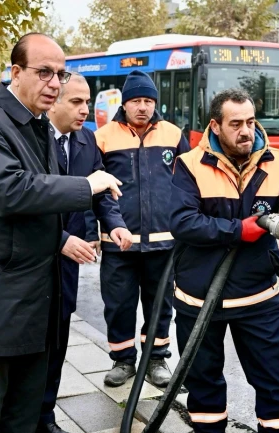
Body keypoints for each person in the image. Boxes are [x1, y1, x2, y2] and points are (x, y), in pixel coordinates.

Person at [0, 33, 124, 433]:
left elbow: (39, 207)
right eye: (44, 72)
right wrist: (86, 186)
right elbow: (10, 192)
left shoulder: (36, 125)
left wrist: (74, 233)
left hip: (34, 301)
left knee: (24, 416)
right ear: (16, 73)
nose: (55, 83)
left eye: (59, 74)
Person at [169, 88, 279, 433]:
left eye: (250, 121)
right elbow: (182, 222)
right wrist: (235, 231)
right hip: (199, 298)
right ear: (215, 127)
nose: (246, 130)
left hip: (256, 296)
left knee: (275, 386)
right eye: (236, 124)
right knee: (204, 388)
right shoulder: (188, 165)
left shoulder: (278, 161)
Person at [37, 74, 131, 433]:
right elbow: (26, 201)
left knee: (59, 337)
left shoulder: (86, 140)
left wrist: (115, 224)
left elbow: (101, 190)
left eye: (87, 101)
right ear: (53, 102)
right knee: (34, 342)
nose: (85, 109)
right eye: (76, 102)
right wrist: (59, 238)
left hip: (68, 261)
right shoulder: (33, 138)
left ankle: (46, 415)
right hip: (33, 257)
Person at [94, 70, 190, 387]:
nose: (143, 107)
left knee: (160, 305)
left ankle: (156, 360)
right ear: (125, 104)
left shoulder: (174, 136)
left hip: (164, 243)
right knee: (119, 304)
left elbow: (188, 185)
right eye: (136, 100)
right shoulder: (104, 137)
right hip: (118, 243)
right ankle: (123, 361)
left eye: (148, 101)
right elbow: (97, 190)